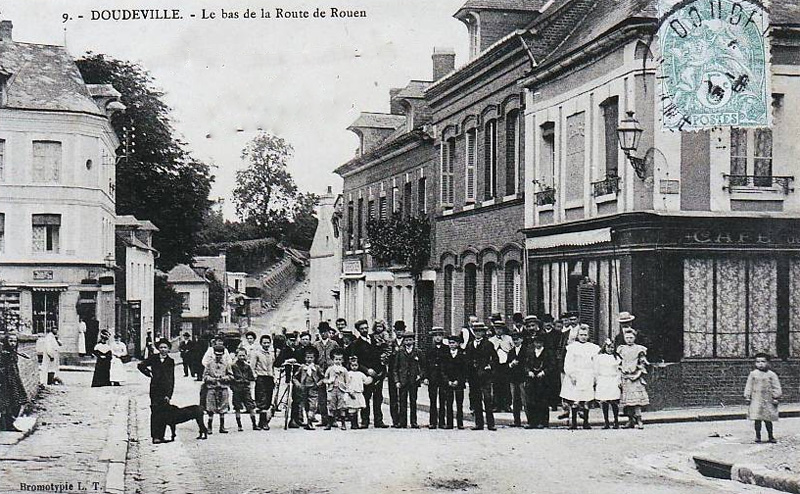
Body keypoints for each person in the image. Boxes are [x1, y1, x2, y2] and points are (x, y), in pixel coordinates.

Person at [560, 325, 599, 430]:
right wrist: (571, 374)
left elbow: (596, 363)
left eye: (585, 335)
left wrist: (595, 376)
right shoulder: (572, 348)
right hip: (576, 374)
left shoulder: (593, 348)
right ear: (577, 335)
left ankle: (586, 422)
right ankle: (574, 423)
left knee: (586, 399)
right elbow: (568, 362)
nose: (583, 337)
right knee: (575, 400)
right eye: (581, 335)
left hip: (587, 374)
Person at [137, 339, 175, 444]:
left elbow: (171, 378)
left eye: (165, 347)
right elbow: (141, 365)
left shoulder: (170, 361)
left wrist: (169, 394)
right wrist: (149, 373)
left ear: (168, 349)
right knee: (155, 412)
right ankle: (155, 436)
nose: (163, 349)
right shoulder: (153, 358)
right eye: (161, 347)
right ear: (158, 348)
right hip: (155, 389)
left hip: (165, 389)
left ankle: (161, 436)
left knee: (164, 412)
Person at [343, 321, 380, 428]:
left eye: (366, 328)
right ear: (358, 330)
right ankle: (365, 420)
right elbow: (355, 361)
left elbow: (379, 356)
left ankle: (378, 420)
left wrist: (378, 373)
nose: (365, 330)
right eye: (362, 329)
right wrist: (367, 371)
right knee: (366, 398)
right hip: (364, 375)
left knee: (378, 398)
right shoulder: (356, 344)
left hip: (377, 373)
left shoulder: (375, 340)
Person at [744, 353, 782, 443]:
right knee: (757, 419)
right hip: (756, 399)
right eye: (758, 362)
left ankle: (770, 436)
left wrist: (776, 397)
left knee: (768, 419)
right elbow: (749, 385)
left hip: (768, 399)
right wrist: (747, 396)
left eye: (763, 361)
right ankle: (758, 436)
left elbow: (776, 386)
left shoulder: (771, 375)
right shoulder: (753, 374)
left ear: (768, 363)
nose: (760, 364)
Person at [466, 322, 497, 431]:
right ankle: (478, 423)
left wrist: (490, 366)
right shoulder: (470, 345)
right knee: (476, 399)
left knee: (487, 399)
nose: (478, 334)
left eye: (480, 331)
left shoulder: (488, 344)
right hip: (473, 376)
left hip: (485, 376)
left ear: (483, 333)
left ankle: (491, 424)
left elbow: (495, 359)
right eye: (476, 331)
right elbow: (467, 360)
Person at [617, 328, 649, 429]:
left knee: (637, 401)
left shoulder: (639, 349)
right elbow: (619, 363)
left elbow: (642, 364)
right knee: (627, 402)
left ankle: (639, 420)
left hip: (635, 377)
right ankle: (630, 420)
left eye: (631, 337)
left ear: (634, 338)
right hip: (625, 377)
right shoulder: (622, 349)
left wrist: (638, 374)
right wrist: (620, 376)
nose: (629, 340)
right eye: (627, 338)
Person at [394, 331, 424, 429]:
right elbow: (395, 368)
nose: (408, 342)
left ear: (414, 341)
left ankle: (413, 422)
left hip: (413, 381)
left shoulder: (418, 352)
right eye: (406, 340)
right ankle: (402, 422)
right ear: (403, 341)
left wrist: (420, 376)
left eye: (410, 340)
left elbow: (423, 367)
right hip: (403, 381)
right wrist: (397, 381)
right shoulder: (400, 352)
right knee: (402, 402)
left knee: (413, 401)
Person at [523, 335, 555, 429]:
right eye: (536, 342)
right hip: (531, 379)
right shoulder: (529, 352)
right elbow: (525, 364)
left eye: (540, 342)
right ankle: (532, 422)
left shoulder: (548, 352)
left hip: (543, 380)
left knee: (542, 401)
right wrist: (528, 371)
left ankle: (543, 421)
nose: (538, 344)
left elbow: (552, 365)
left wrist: (544, 372)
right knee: (531, 401)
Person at [0, 333, 30, 431]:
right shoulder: (3, 353)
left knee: (19, 401)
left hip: (14, 380)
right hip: (5, 381)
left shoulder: (13, 352)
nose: (13, 343)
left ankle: (9, 423)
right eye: (10, 341)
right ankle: (6, 425)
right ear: (6, 342)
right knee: (6, 403)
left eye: (15, 341)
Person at [204, 346, 234, 434]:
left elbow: (231, 376)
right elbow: (205, 377)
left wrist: (224, 378)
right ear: (214, 354)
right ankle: (209, 427)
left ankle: (222, 427)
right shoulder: (209, 364)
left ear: (223, 354)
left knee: (223, 407)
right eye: (217, 355)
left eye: (220, 355)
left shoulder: (226, 364)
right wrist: (212, 379)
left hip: (223, 387)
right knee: (210, 407)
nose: (218, 357)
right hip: (212, 388)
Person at [441, 334, 467, 429]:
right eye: (450, 343)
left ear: (458, 344)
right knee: (449, 403)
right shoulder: (445, 355)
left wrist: (458, 380)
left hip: (459, 383)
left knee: (459, 404)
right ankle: (449, 423)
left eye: (454, 343)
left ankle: (460, 423)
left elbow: (464, 370)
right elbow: (442, 370)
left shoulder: (462, 355)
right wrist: (447, 381)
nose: (451, 345)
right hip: (448, 383)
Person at [594, 339, 622, 429]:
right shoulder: (599, 357)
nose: (610, 349)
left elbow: (619, 371)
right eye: (608, 347)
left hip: (613, 380)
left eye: (612, 347)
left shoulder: (617, 358)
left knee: (614, 402)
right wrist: (596, 380)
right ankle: (606, 422)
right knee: (604, 401)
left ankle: (616, 421)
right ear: (604, 347)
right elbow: (596, 370)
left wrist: (619, 381)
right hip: (603, 379)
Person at [250, 334, 276, 430]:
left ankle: (261, 422)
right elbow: (252, 367)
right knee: (262, 400)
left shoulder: (271, 354)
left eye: (268, 342)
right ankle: (263, 421)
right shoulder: (256, 353)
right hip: (261, 378)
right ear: (261, 343)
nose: (266, 344)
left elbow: (272, 367)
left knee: (268, 399)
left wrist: (274, 376)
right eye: (264, 342)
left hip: (269, 378)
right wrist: (255, 376)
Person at [294, 349, 323, 430]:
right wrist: (298, 384)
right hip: (304, 388)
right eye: (308, 357)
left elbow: (322, 377)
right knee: (305, 405)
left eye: (311, 357)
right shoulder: (302, 367)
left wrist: (318, 384)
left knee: (313, 405)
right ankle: (308, 422)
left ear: (314, 358)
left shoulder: (316, 367)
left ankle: (310, 420)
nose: (309, 359)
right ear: (305, 358)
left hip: (313, 388)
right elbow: (295, 377)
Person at [424, 327, 447, 429]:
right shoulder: (429, 349)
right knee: (432, 400)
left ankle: (442, 422)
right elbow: (425, 364)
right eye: (435, 336)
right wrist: (425, 377)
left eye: (439, 335)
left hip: (443, 378)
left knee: (443, 400)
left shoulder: (446, 349)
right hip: (432, 377)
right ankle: (433, 422)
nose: (438, 338)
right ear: (433, 337)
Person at [231, 348, 258, 431]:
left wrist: (248, 381)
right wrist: (234, 386)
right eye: (240, 355)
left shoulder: (247, 366)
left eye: (243, 355)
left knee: (251, 406)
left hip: (246, 389)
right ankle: (239, 425)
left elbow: (252, 377)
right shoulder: (233, 366)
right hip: (237, 389)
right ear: (236, 356)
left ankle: (254, 424)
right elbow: (231, 378)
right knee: (237, 407)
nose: (242, 357)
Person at [323, 349, 349, 430]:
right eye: (336, 359)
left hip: (341, 390)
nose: (338, 361)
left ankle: (343, 423)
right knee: (331, 406)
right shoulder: (330, 369)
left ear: (342, 360)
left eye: (339, 359)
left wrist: (347, 390)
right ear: (333, 360)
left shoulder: (344, 370)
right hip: (332, 389)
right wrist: (329, 381)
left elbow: (347, 380)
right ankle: (329, 423)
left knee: (342, 406)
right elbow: (325, 379)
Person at [345, 355, 372, 429]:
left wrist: (370, 378)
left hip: (359, 393)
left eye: (356, 365)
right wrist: (349, 391)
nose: (354, 367)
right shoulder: (348, 374)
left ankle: (357, 422)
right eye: (352, 365)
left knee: (358, 408)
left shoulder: (360, 374)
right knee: (352, 408)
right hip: (352, 393)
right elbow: (346, 383)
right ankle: (353, 423)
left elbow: (366, 381)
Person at [507, 331, 527, 427]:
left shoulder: (526, 350)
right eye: (514, 339)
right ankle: (516, 421)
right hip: (513, 378)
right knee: (515, 400)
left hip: (523, 377)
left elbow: (527, 363)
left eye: (517, 339)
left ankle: (529, 420)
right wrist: (511, 364)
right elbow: (507, 364)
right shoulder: (511, 352)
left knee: (525, 399)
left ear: (521, 340)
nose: (515, 341)